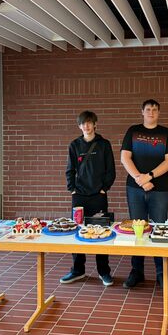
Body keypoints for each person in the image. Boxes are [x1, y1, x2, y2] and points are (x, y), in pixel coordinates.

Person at [120, 99, 168, 288]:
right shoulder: (133, 131)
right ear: (142, 112)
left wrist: (149, 176)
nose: (151, 112)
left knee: (160, 229)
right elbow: (124, 157)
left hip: (159, 189)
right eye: (148, 109)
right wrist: (139, 178)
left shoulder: (165, 133)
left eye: (154, 109)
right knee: (137, 230)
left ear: (158, 113)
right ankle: (137, 272)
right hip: (135, 189)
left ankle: (162, 273)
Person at [61, 111, 116, 286]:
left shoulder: (104, 144)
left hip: (98, 196)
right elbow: (70, 170)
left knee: (102, 232)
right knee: (77, 232)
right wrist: (72, 190)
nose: (86, 126)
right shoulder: (74, 145)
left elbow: (111, 170)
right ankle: (78, 270)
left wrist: (103, 189)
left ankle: (104, 272)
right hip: (79, 197)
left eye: (89, 122)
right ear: (79, 126)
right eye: (83, 123)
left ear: (95, 124)